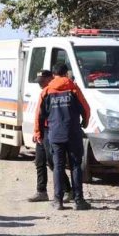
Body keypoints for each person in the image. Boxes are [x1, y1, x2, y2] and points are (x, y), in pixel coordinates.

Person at [36, 62, 92, 211]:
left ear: (53, 75)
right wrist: (85, 121)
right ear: (66, 73)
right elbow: (86, 108)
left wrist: (38, 133)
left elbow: (39, 115)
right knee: (75, 166)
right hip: (73, 133)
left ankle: (58, 201)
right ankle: (79, 201)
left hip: (55, 134)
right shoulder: (73, 88)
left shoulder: (46, 91)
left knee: (58, 166)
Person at [27, 69, 70, 202]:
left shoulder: (56, 91)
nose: (40, 84)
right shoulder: (44, 92)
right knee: (40, 161)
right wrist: (37, 131)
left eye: (42, 81)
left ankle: (68, 190)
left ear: (50, 78)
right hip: (42, 130)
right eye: (38, 81)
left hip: (52, 130)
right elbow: (38, 115)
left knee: (53, 163)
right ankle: (41, 191)